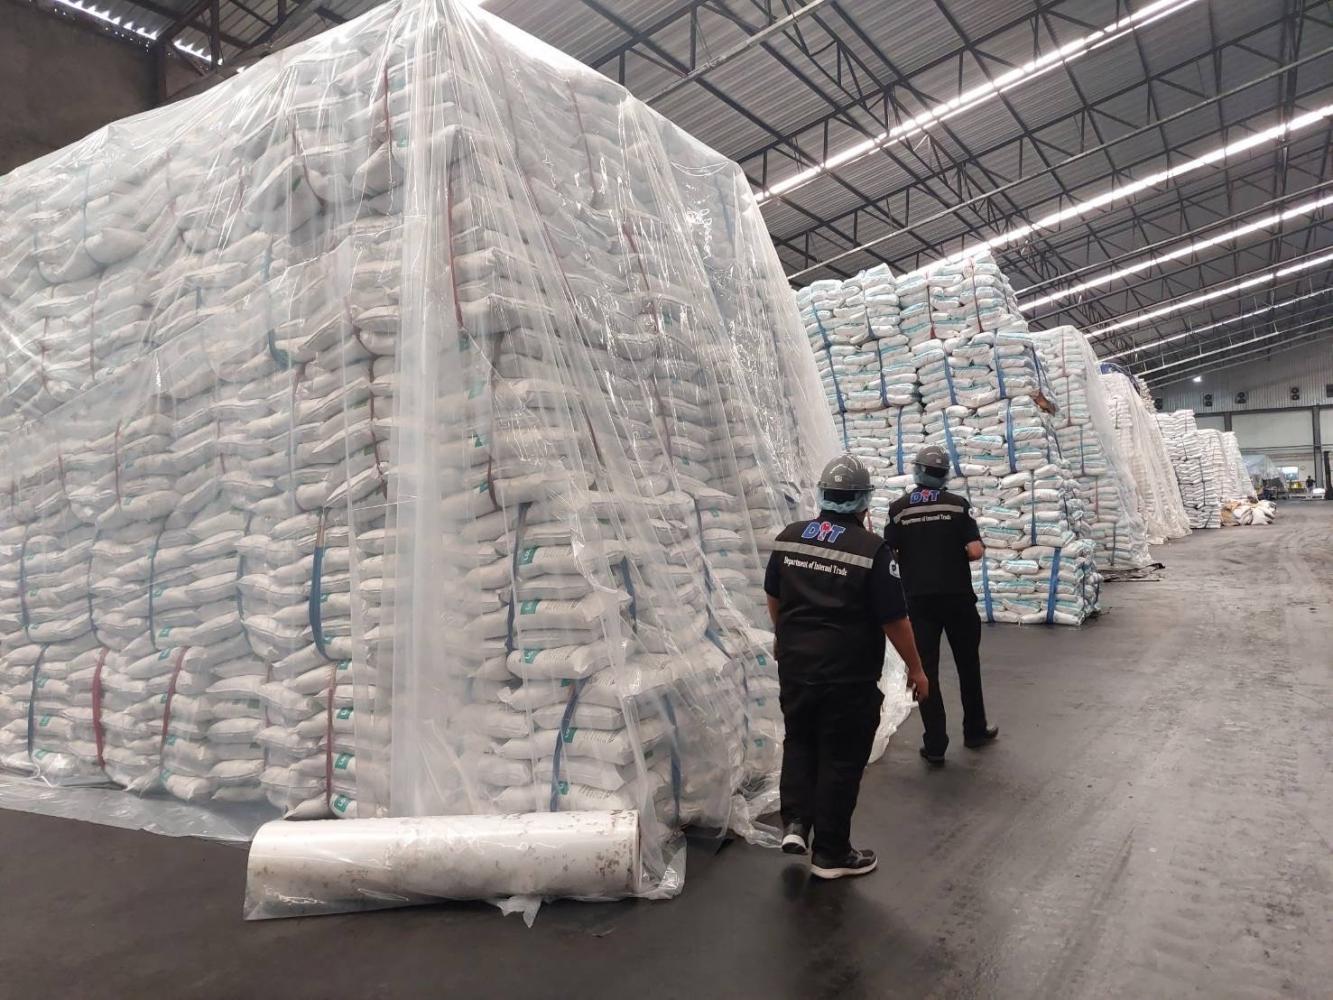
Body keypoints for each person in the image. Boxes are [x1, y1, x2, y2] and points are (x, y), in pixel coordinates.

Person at [764, 454, 929, 880]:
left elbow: (774, 595)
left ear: (821, 495)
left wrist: (784, 636)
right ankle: (832, 854)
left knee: (800, 740)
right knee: (841, 757)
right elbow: (895, 619)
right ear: (863, 503)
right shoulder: (872, 551)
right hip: (847, 675)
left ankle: (797, 824)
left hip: (796, 666)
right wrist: (917, 668)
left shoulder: (789, 538)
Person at [885, 445, 998, 767]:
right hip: (958, 599)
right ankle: (975, 730)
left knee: (925, 671)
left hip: (919, 603)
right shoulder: (958, 506)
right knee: (968, 665)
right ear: (945, 473)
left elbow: (889, 554)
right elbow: (975, 551)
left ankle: (935, 744)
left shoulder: (899, 509)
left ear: (917, 472)